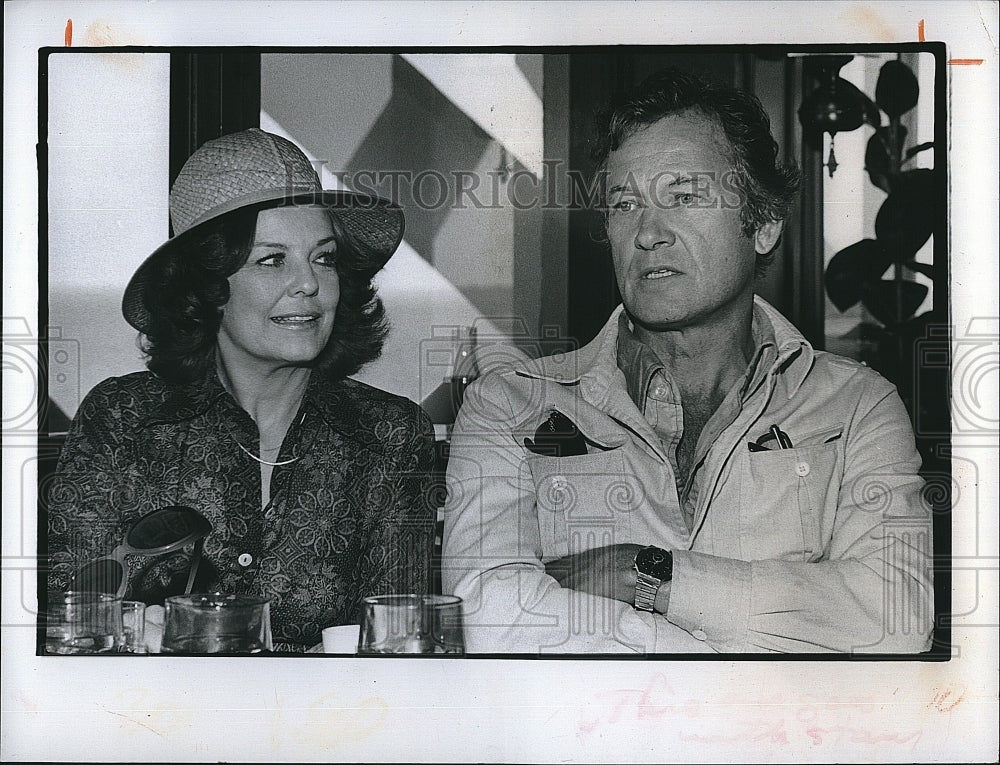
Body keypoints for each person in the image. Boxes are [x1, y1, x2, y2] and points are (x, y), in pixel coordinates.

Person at [441, 69, 934, 654]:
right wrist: (736, 660)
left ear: (765, 224)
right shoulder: (510, 404)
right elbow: (486, 613)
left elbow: (897, 617)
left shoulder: (855, 406)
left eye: (684, 195)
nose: (648, 232)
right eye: (625, 204)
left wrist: (643, 573)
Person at [47, 128, 436, 651]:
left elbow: (397, 642)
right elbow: (71, 624)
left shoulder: (389, 435)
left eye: (323, 257)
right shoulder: (123, 420)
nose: (310, 284)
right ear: (207, 288)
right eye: (272, 260)